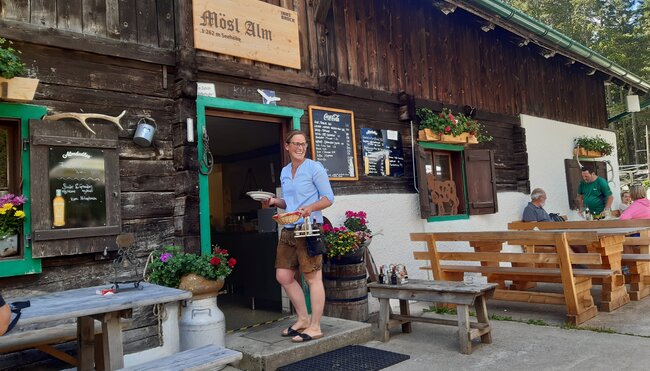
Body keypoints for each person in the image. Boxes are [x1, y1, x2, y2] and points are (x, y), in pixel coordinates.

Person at [264, 130, 334, 343]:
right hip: (289, 229)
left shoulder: (315, 168)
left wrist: (310, 208)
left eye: (303, 144)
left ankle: (315, 326)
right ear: (287, 146)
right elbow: (289, 202)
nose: (300, 147)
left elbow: (328, 198)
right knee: (283, 276)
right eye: (295, 144)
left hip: (309, 229)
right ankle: (303, 319)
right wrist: (275, 202)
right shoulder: (285, 171)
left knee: (313, 278)